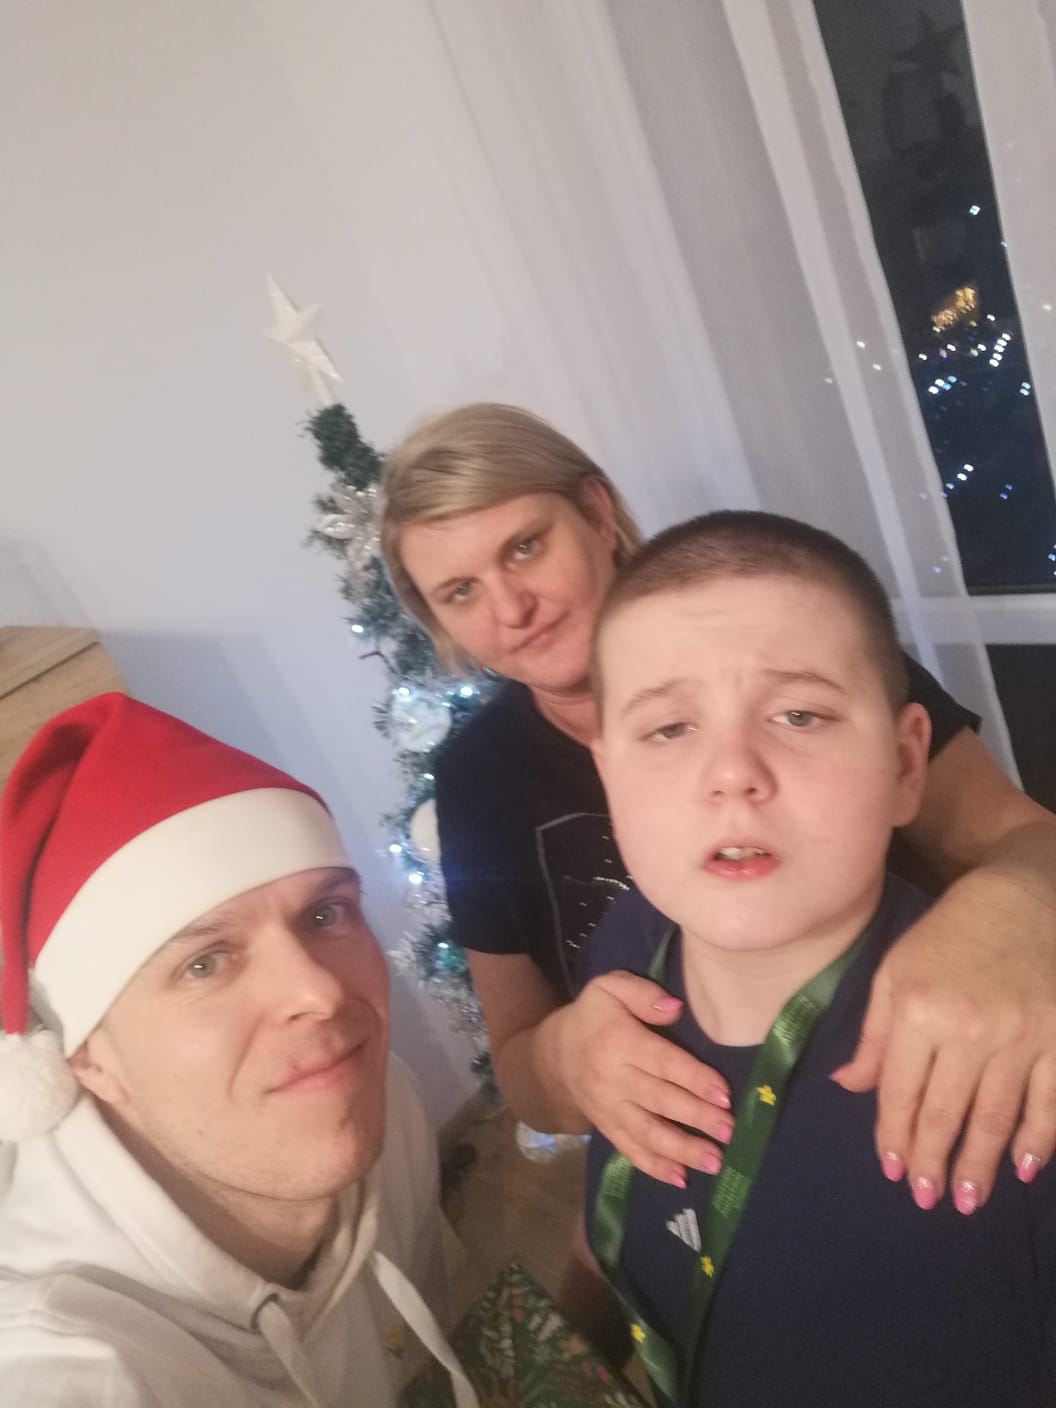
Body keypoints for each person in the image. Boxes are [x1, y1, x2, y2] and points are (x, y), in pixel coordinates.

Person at [380, 401, 1056, 1210]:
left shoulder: (797, 647)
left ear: (596, 511)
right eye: (460, 591)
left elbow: (1025, 839)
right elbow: (520, 1060)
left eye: (525, 547)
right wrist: (566, 1062)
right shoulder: (477, 780)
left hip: (921, 1103)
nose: (510, 608)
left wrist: (1006, 913)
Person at [580, 510, 1056, 1405]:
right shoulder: (623, 955)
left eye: (799, 714)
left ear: (907, 763)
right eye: (670, 729)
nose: (733, 771)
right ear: (608, 773)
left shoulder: (1009, 1062)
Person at [0, 693, 476, 1408]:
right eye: (205, 964)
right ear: (89, 1057)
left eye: (325, 914)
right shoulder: (75, 1375)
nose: (318, 992)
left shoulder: (382, 1106)